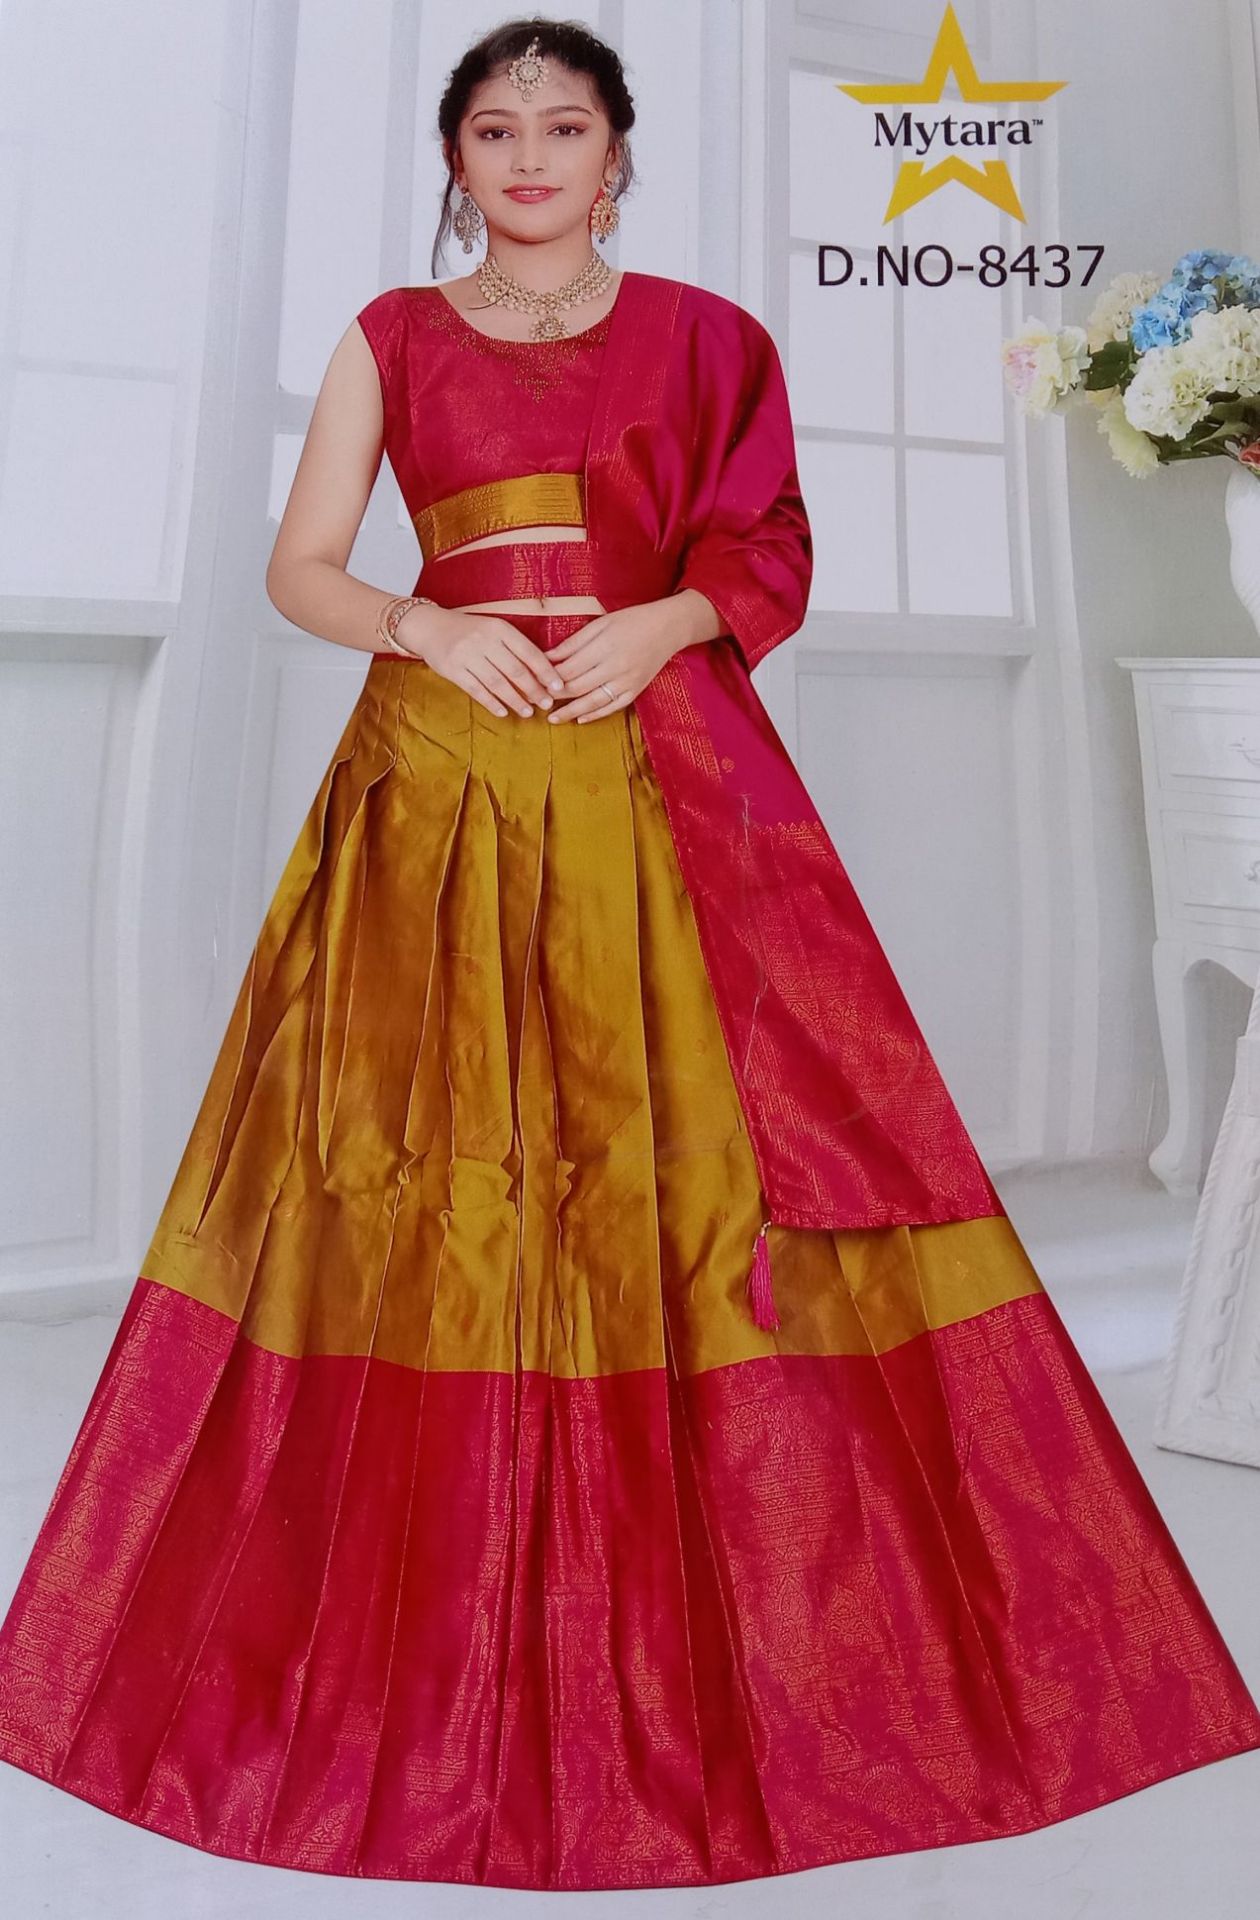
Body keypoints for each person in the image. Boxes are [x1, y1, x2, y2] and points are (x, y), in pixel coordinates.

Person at [1, 15, 1258, 1896]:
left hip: (664, 773)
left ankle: (763, 1624)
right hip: (440, 787)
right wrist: (429, 630)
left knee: (709, 1157)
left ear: (617, 153)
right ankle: (414, 1641)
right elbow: (302, 566)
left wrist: (663, 622)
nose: (530, 157)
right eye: (494, 129)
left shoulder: (710, 339)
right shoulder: (391, 335)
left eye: (564, 126)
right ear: (456, 158)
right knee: (429, 1174)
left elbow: (771, 547)